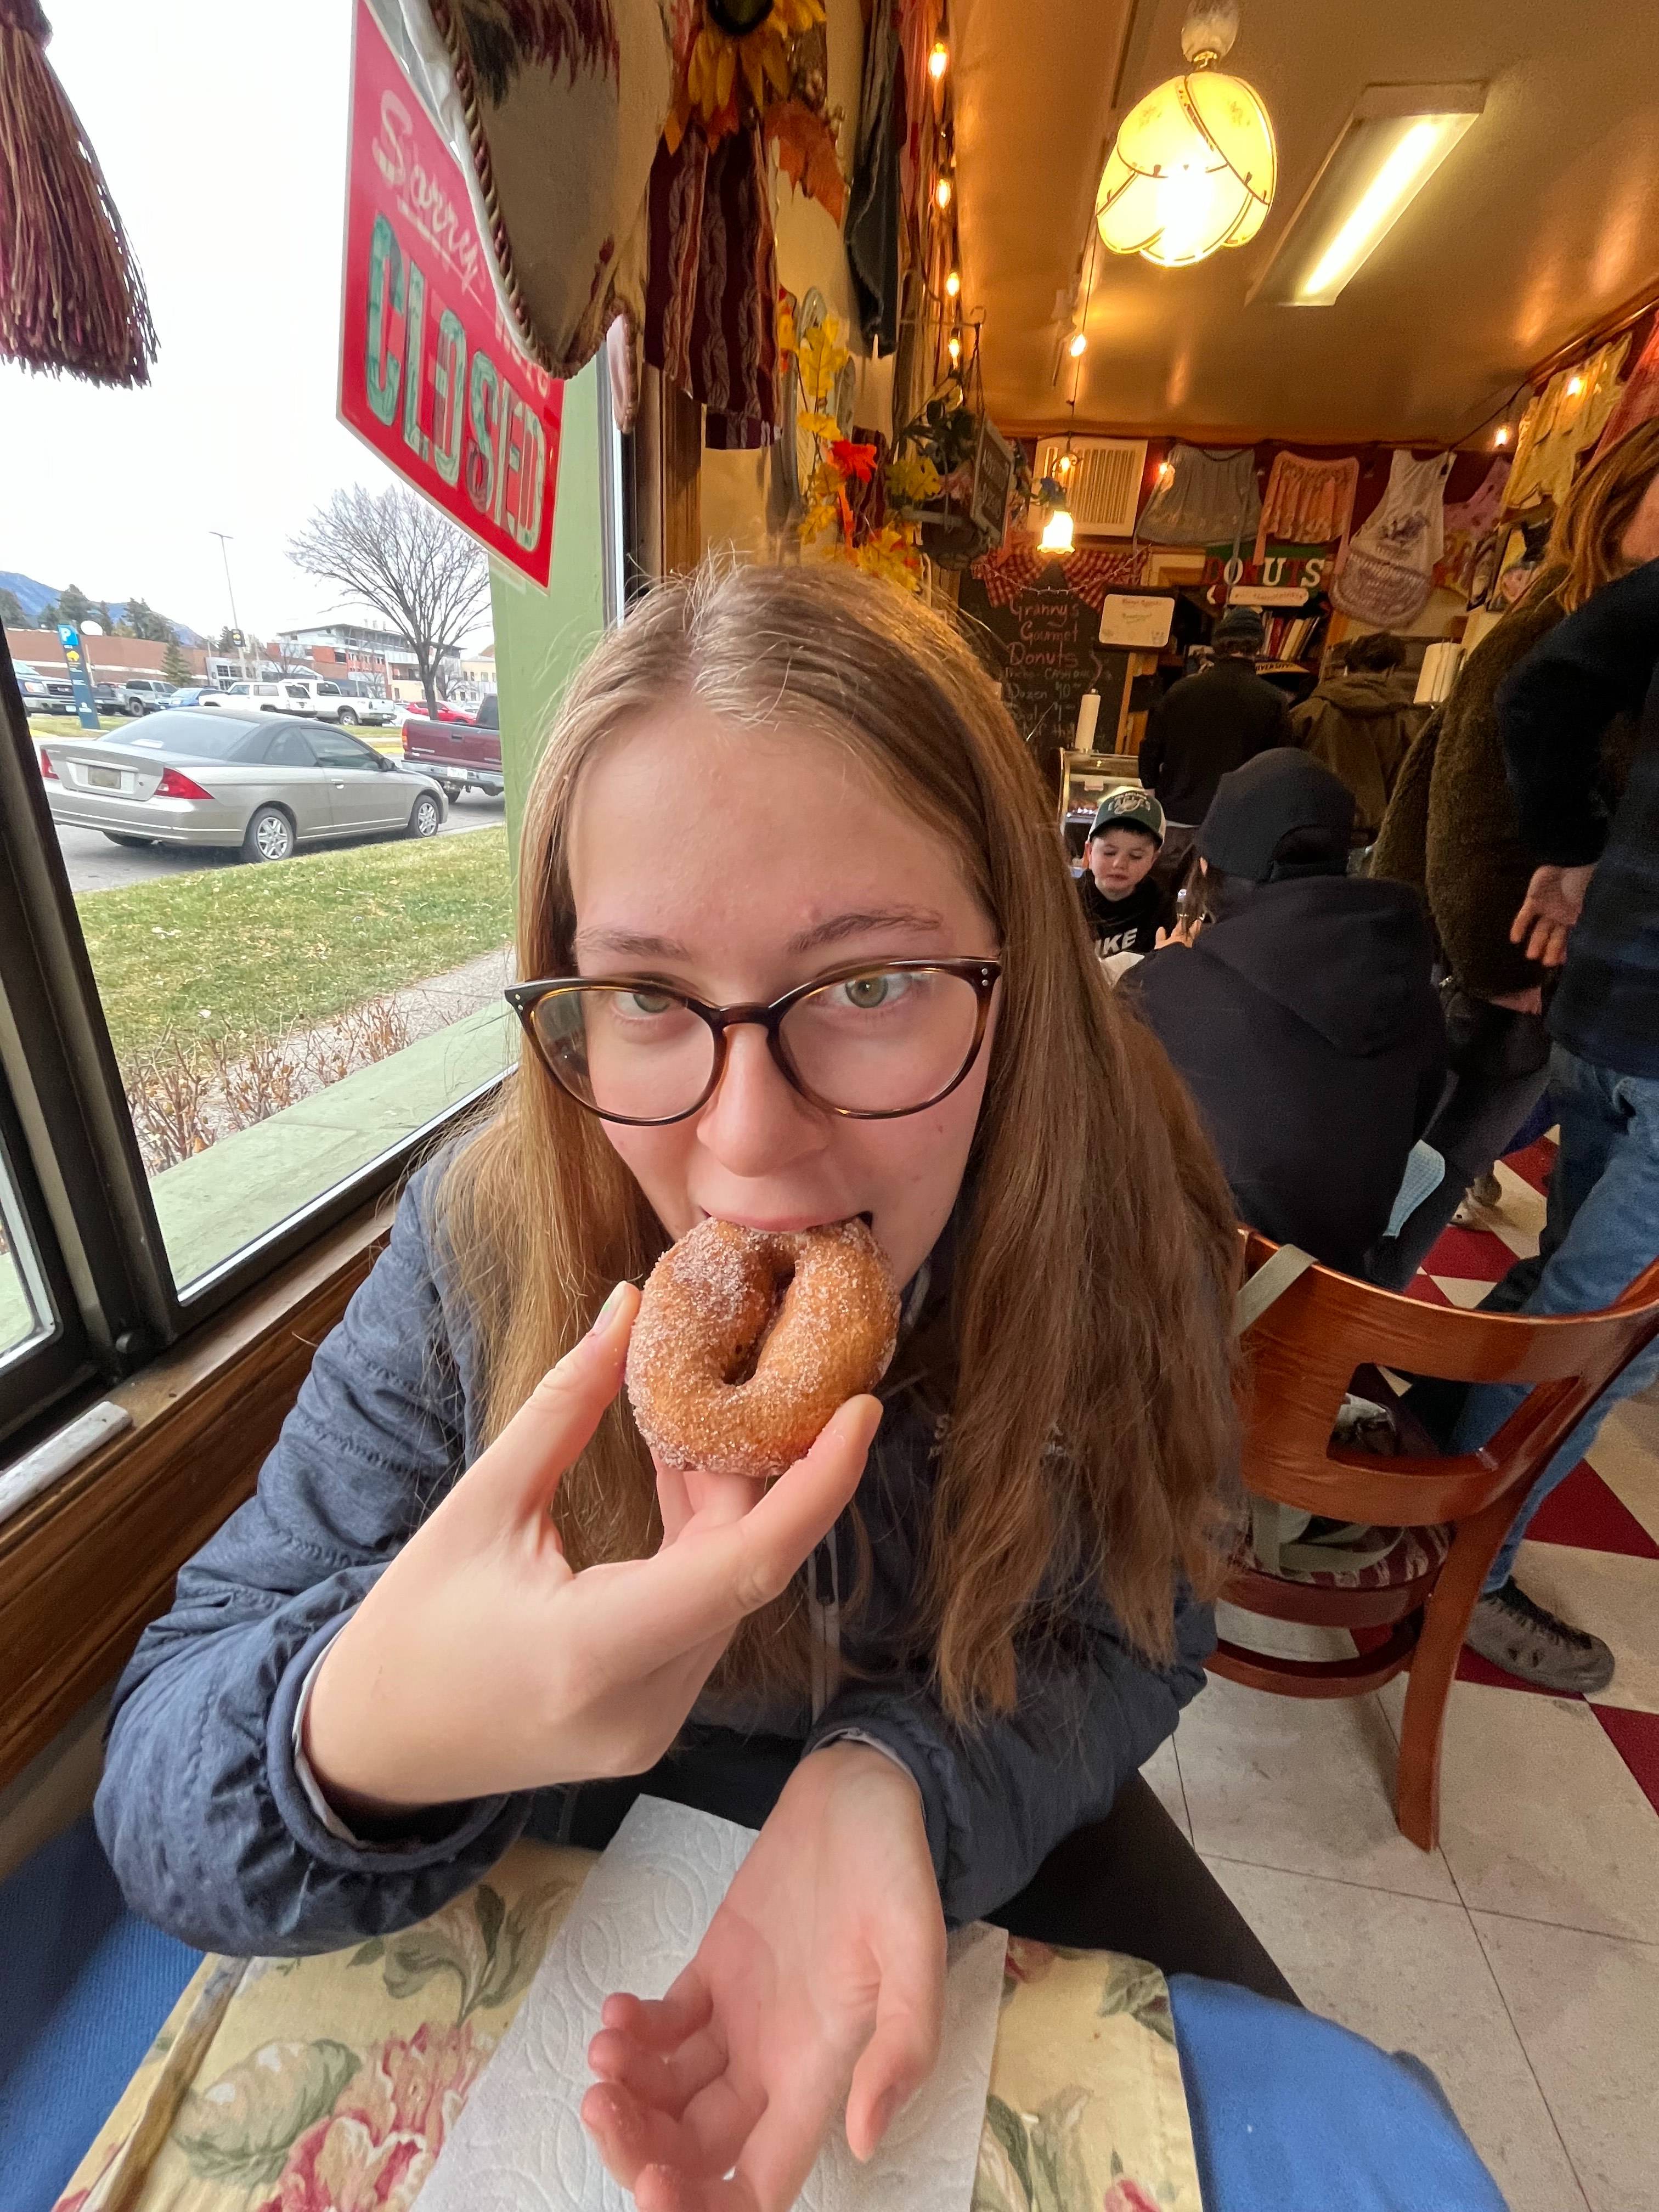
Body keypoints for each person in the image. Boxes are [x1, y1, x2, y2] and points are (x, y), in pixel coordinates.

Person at [94, 563, 1267, 2205]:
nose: (745, 1140)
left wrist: (898, 1786)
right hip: (559, 1837)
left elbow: (1154, 1610)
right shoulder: (488, 1240)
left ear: (1025, 977)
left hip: (973, 1788)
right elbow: (157, 1783)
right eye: (648, 997)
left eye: (866, 986)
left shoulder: (1123, 1208)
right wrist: (359, 1731)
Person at [1370, 420, 1659, 1283]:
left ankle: (1341, 1344)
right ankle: (1331, 1343)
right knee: (1418, 1174)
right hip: (1488, 977)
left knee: (1429, 1177)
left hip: (1514, 976)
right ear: (1618, 503)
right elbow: (1467, 821)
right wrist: (1508, 978)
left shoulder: (1596, 632)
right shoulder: (1557, 630)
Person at [1447, 534, 1659, 1695]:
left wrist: (1576, 854)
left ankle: (1433, 1466)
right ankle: (1464, 1567)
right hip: (1623, 1003)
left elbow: (1545, 698)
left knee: (1567, 1289)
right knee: (1608, 1331)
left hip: (1612, 983)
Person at [1132, 750, 1445, 1276]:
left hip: (1178, 1299)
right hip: (1327, 1307)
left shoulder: (1165, 984)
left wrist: (1164, 970)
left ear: (1207, 869)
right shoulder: (1411, 991)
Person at [1138, 605, 1294, 867]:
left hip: (1176, 816)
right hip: (1234, 823)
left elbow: (1151, 750)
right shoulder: (1273, 700)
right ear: (1258, 646)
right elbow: (1279, 767)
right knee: (1217, 902)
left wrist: (1153, 797)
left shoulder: (1182, 690)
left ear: (1218, 644)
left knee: (1162, 896)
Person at [1290, 630, 1419, 845]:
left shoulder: (1311, 711)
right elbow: (1406, 781)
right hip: (1366, 833)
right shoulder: (1405, 721)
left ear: (1349, 667)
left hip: (1307, 823)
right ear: (1392, 670)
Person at [1076, 786, 1172, 956]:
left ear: (1153, 860)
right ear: (1089, 852)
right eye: (1109, 853)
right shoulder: (1066, 898)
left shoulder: (1160, 906)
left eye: (1136, 856)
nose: (1119, 864)